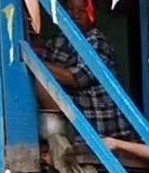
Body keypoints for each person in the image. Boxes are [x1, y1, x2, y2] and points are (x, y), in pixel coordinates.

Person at [33, 0, 136, 142]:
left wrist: (37, 63)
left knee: (41, 76)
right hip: (79, 120)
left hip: (101, 125)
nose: (75, 15)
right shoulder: (60, 41)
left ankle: (61, 140)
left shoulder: (96, 40)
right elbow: (44, 53)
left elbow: (75, 78)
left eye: (82, 11)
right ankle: (58, 140)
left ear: (92, 14)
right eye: (70, 9)